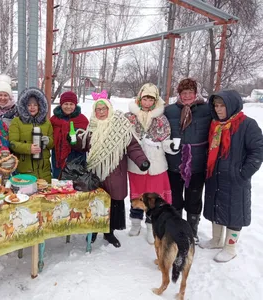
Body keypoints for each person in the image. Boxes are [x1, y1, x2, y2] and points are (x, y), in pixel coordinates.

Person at [75, 90, 150, 248]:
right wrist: (74, 140)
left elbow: (133, 146)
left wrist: (142, 160)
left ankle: (109, 233)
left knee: (113, 204)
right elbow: (83, 145)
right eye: (98, 109)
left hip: (116, 172)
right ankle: (94, 230)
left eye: (104, 109)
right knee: (96, 203)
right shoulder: (92, 127)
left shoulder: (120, 127)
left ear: (109, 109)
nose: (101, 112)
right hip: (95, 173)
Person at [200, 90, 263, 262]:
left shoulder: (247, 125)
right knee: (216, 207)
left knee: (235, 212)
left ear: (232, 105)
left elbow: (257, 151)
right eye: (216, 106)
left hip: (235, 179)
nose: (219, 109)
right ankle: (216, 240)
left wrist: (243, 173)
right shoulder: (215, 125)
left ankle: (230, 247)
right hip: (215, 175)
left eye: (223, 106)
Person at [126, 83, 178, 244]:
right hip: (137, 164)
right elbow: (125, 138)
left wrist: (171, 146)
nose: (147, 102)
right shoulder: (130, 117)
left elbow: (165, 139)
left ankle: (151, 227)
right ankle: (135, 223)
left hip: (156, 164)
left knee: (153, 198)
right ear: (139, 99)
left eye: (150, 100)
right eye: (145, 99)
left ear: (155, 101)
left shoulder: (161, 119)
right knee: (136, 195)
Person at [164, 78, 211, 243]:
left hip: (197, 164)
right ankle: (178, 231)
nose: (187, 96)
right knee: (175, 200)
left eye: (190, 92)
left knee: (194, 199)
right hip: (174, 163)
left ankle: (192, 231)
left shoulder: (206, 110)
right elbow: (160, 131)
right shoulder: (169, 111)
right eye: (184, 93)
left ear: (195, 93)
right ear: (179, 94)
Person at [9, 87, 54, 182]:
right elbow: (13, 143)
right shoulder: (17, 121)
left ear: (40, 106)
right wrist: (28, 148)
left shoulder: (46, 122)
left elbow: (52, 143)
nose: (32, 107)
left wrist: (48, 141)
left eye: (35, 105)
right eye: (29, 105)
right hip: (25, 169)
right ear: (24, 107)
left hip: (44, 171)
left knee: (46, 195)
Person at [50, 91, 89, 178]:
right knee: (59, 186)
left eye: (71, 104)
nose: (68, 107)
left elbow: (87, 141)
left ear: (75, 105)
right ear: (61, 104)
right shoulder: (54, 120)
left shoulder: (82, 120)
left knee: (75, 186)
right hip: (58, 160)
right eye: (66, 104)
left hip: (76, 160)